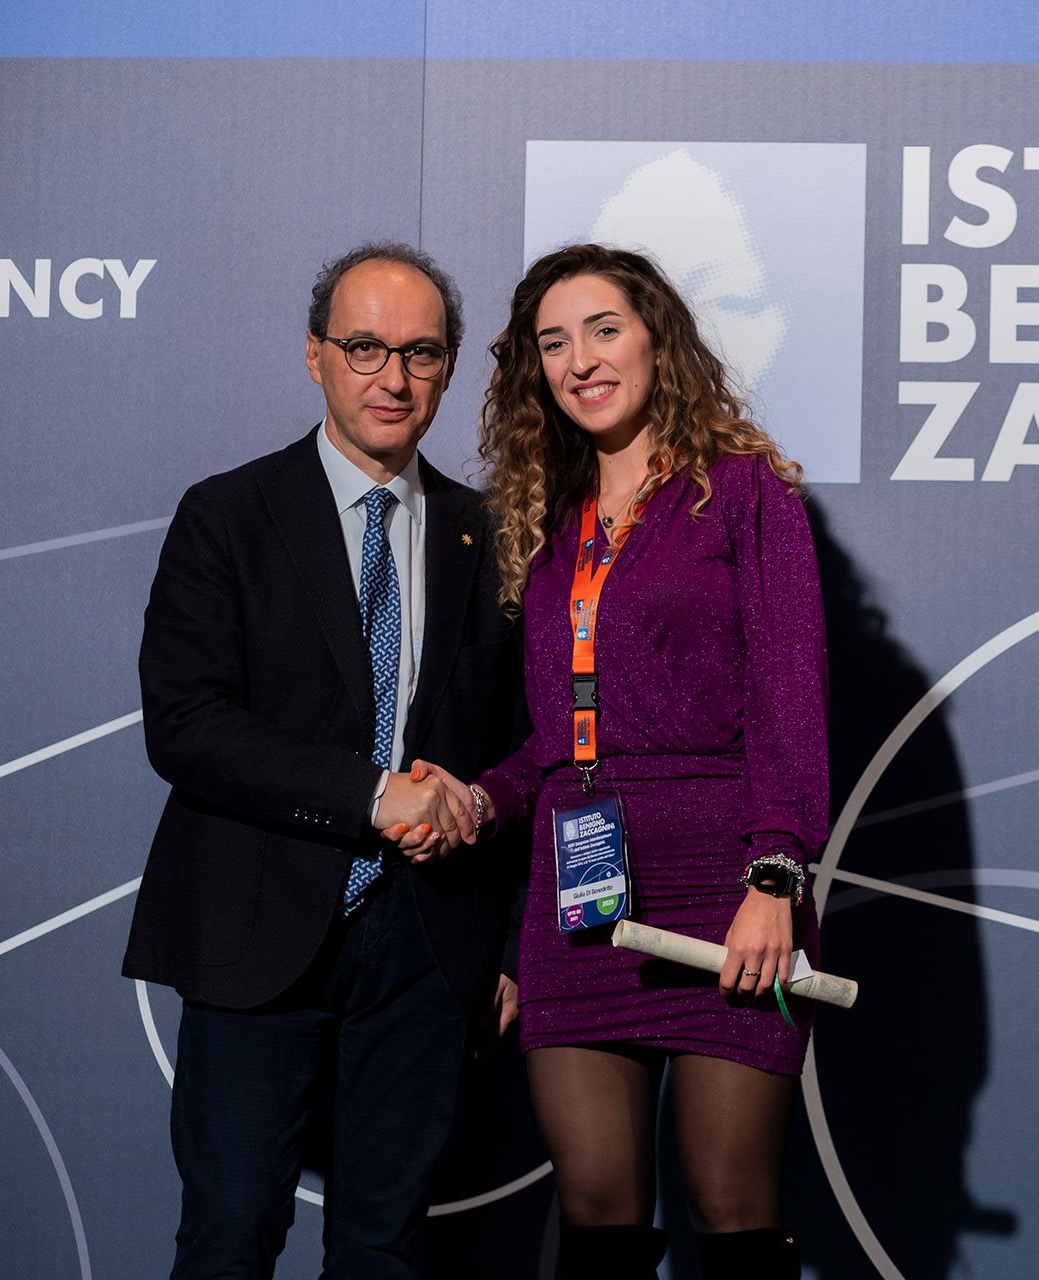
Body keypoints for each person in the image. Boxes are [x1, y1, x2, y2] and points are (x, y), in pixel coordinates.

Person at [122, 242, 524, 1279]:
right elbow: (186, 723)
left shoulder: (490, 535)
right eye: (365, 348)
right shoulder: (228, 514)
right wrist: (371, 794)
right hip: (257, 927)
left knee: (384, 1248)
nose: (394, 378)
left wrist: (509, 947)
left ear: (448, 367)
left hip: (428, 945)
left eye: (421, 353)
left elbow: (519, 753)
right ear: (316, 356)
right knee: (228, 1236)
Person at [460, 244, 826, 1280]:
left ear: (658, 339)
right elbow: (558, 742)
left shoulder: (746, 492)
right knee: (598, 1217)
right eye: (553, 343)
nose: (580, 360)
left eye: (604, 329)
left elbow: (790, 701)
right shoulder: (547, 519)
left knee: (733, 1204)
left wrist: (774, 878)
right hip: (578, 898)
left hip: (727, 882)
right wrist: (479, 799)